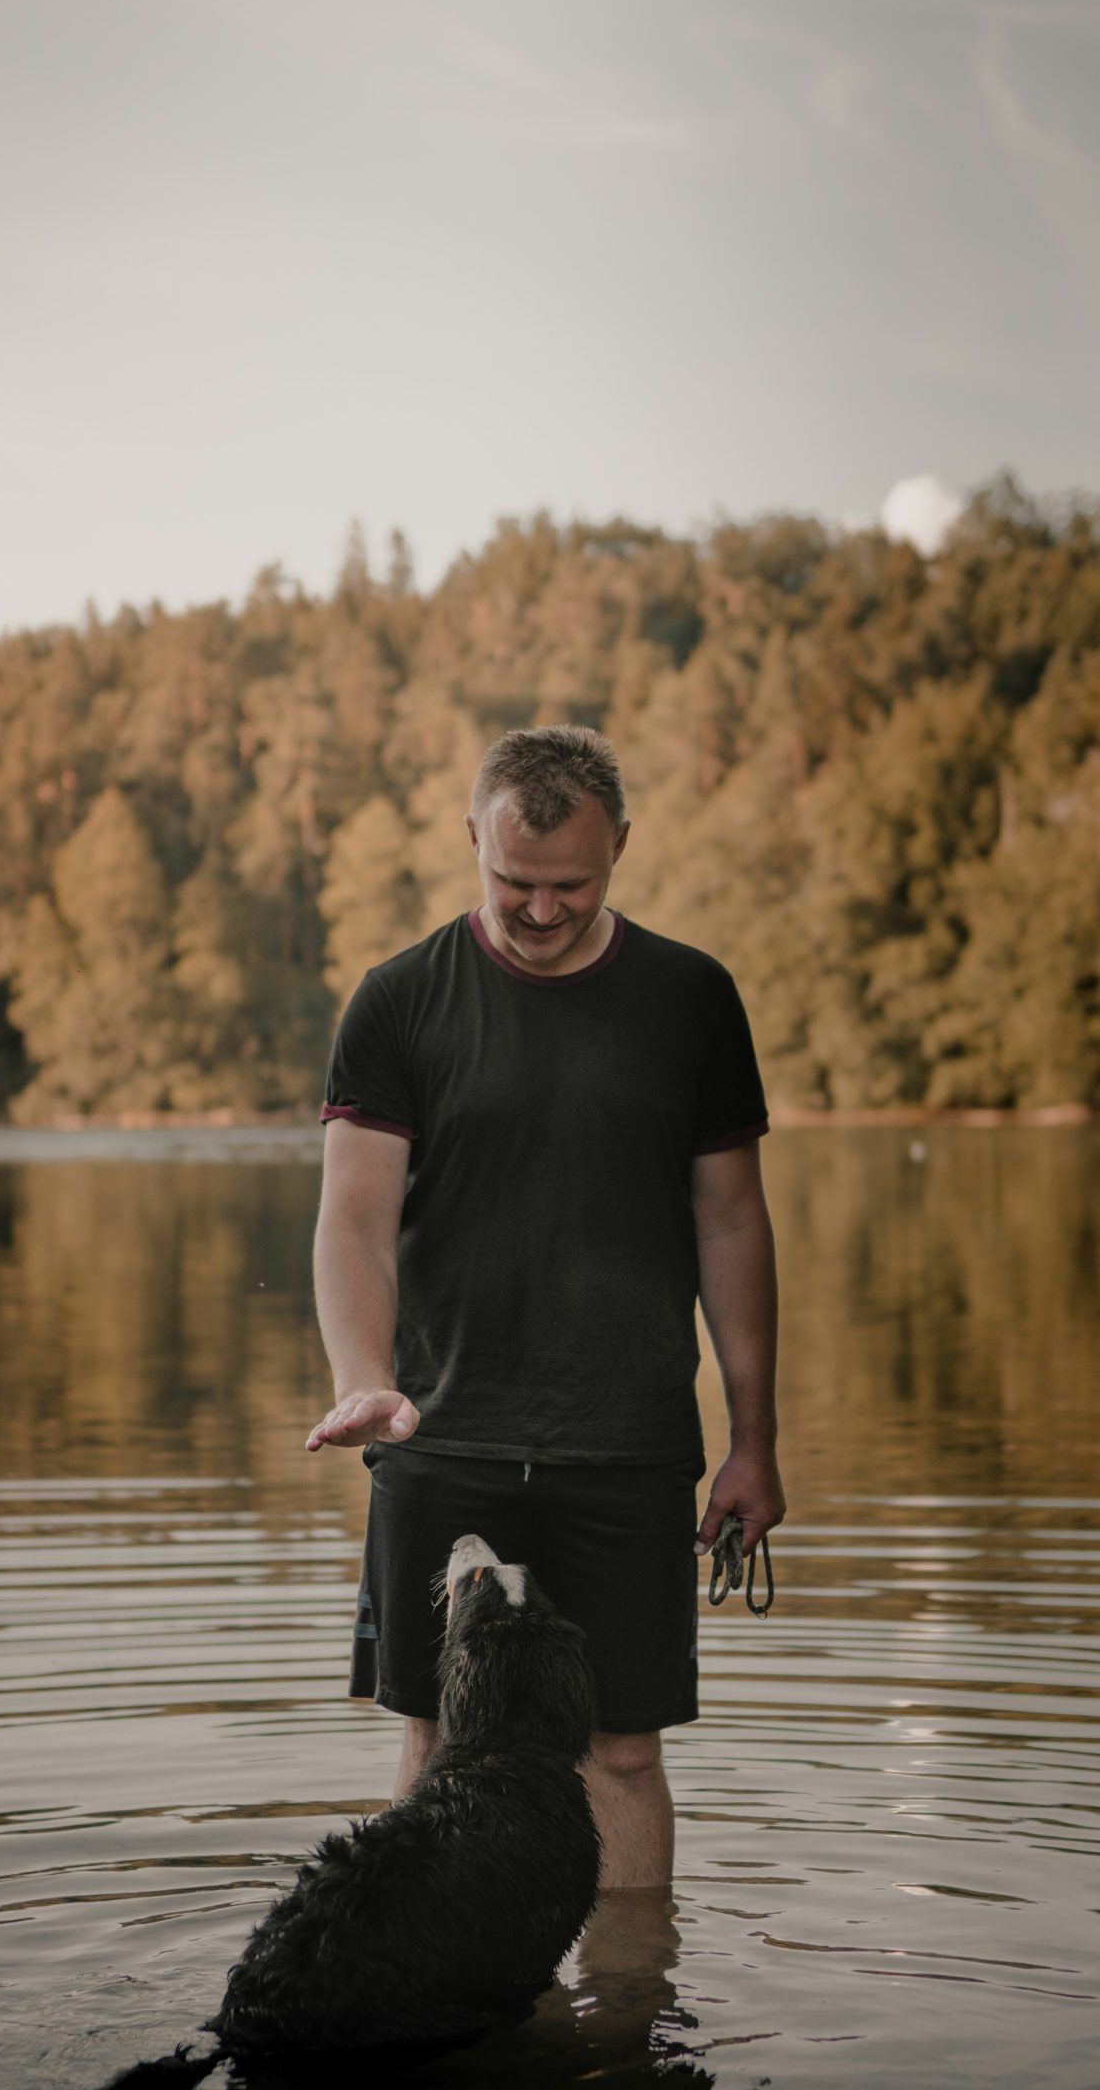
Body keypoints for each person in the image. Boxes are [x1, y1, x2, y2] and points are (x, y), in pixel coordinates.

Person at [305, 724, 784, 1890]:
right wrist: (363, 1379)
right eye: (515, 880)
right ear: (473, 838)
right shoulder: (400, 1000)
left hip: (628, 1444)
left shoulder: (690, 999)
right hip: (441, 1432)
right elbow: (355, 1221)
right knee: (437, 1738)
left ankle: (628, 1990)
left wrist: (754, 1441)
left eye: (572, 883)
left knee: (621, 1752)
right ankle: (425, 1975)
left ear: (621, 845)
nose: (541, 909)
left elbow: (732, 1224)